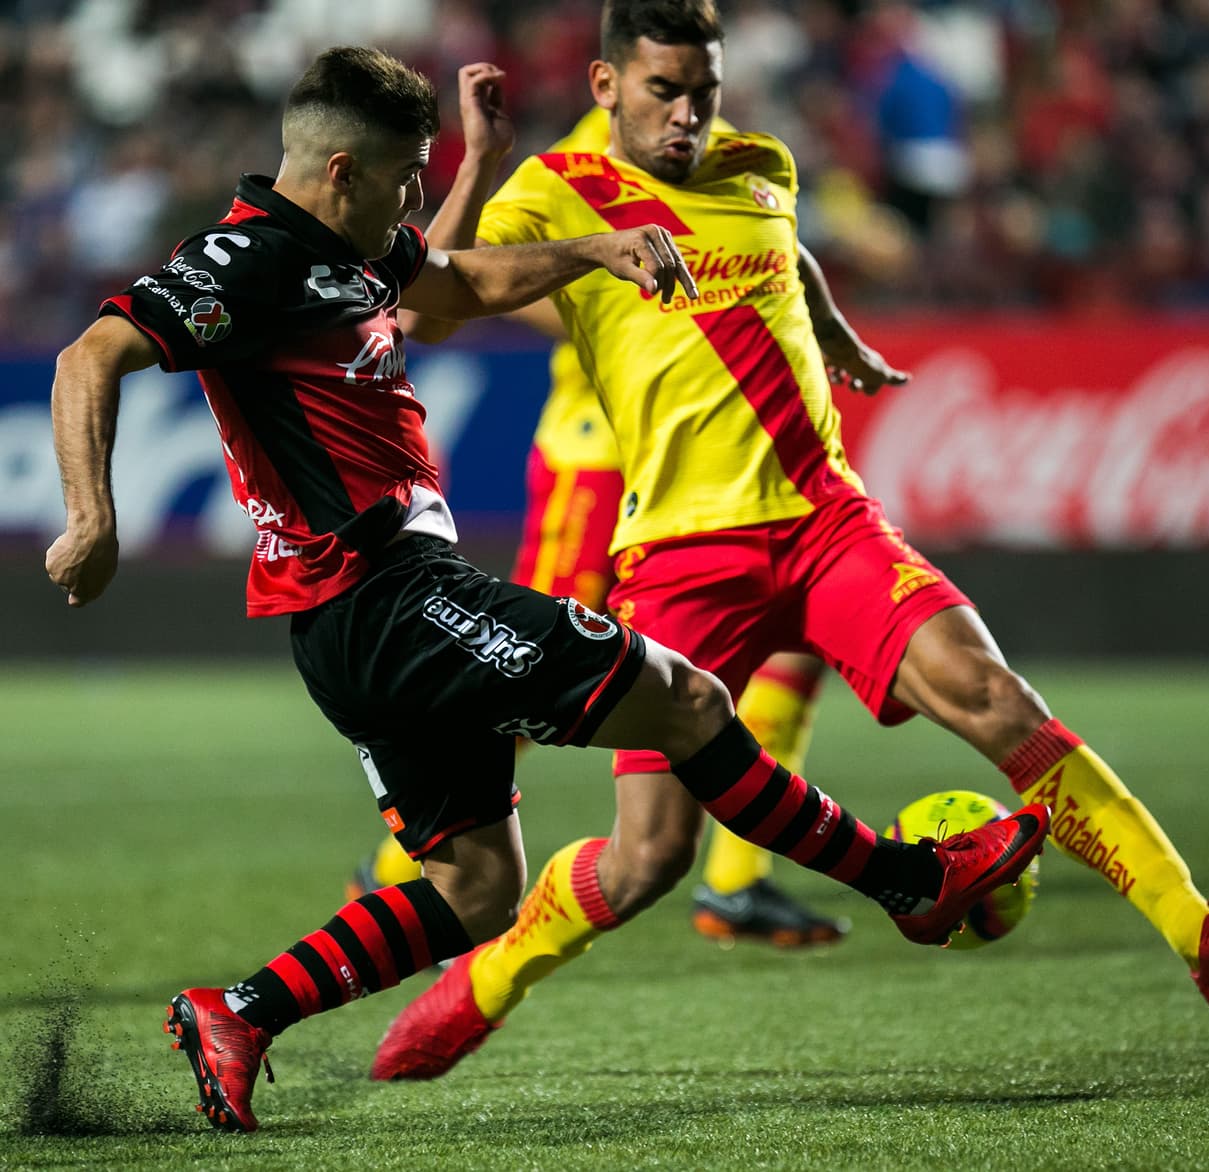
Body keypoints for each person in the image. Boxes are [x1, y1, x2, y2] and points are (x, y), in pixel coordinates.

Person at [45, 44, 1050, 1133]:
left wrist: (593, 246)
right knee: (691, 700)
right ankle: (909, 882)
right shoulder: (246, 262)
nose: (416, 194)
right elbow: (87, 357)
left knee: (479, 885)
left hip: (360, 617)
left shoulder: (348, 244)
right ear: (340, 170)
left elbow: (455, 281)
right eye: (406, 174)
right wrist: (93, 519)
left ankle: (238, 1011)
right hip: (382, 597)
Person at [368, 0, 1209, 1084]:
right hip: (680, 553)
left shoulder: (758, 161)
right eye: (663, 90)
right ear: (609, 85)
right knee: (650, 854)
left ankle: (1200, 934)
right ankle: (490, 974)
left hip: (825, 519)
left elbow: (782, 252)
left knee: (992, 693)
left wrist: (836, 332)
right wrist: (481, 164)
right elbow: (426, 309)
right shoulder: (557, 192)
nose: (688, 115)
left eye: (702, 89)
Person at [352, 91, 842, 948]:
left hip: (699, 472)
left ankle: (737, 880)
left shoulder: (720, 157)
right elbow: (457, 286)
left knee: (792, 641)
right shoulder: (583, 161)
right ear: (615, 77)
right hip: (597, 461)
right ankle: (405, 866)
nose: (684, 98)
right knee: (523, 675)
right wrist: (609, 280)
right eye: (665, 75)